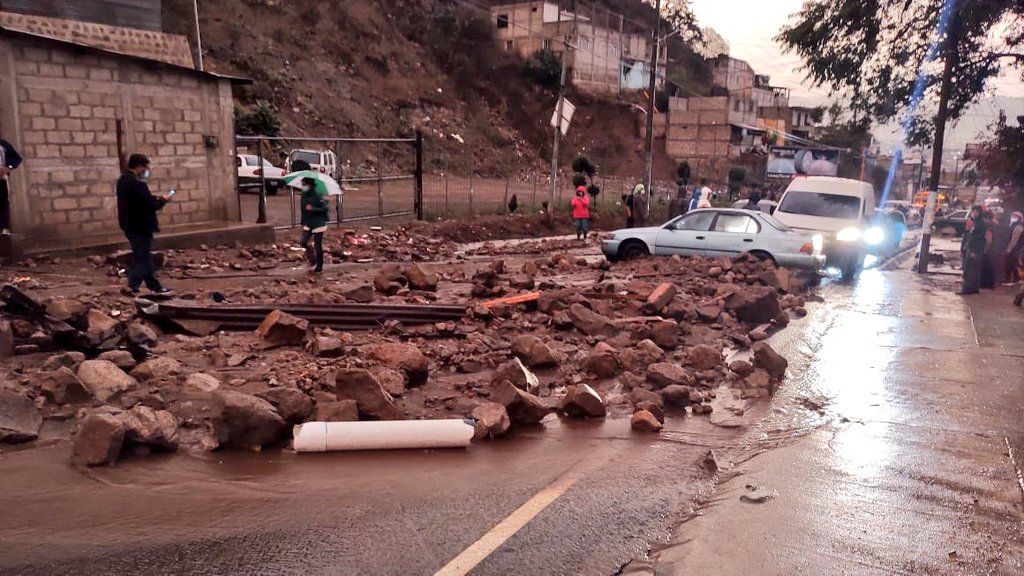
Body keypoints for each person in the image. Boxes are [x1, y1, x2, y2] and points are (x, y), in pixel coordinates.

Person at [117, 154, 172, 294]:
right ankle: (132, 286)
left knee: (145, 257)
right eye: (145, 167)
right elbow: (148, 204)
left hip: (130, 224)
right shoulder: (136, 183)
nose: (147, 170)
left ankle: (155, 286)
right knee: (142, 258)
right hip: (140, 225)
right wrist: (163, 201)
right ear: (139, 166)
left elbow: (140, 200)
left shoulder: (124, 180)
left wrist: (156, 198)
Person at [299, 177, 329, 273]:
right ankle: (312, 257)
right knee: (303, 241)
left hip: (318, 222)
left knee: (318, 245)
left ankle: (319, 266)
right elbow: (303, 209)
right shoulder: (303, 195)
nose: (303, 186)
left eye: (304, 184)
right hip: (309, 222)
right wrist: (303, 222)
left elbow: (325, 208)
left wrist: (313, 209)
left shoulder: (317, 195)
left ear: (309, 184)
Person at [958, 206, 989, 295]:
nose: (973, 214)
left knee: (970, 270)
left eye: (975, 212)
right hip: (973, 249)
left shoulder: (980, 224)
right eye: (973, 211)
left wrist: (974, 251)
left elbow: (979, 239)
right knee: (973, 269)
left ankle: (968, 289)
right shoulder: (976, 223)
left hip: (974, 250)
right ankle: (974, 288)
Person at [0, 138, 23, 235]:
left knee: (2, 204)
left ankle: (3, 229)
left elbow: (16, 158)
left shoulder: (3, 144)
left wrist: (8, 168)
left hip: (1, 180)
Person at [1006, 211, 1023, 284]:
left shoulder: (1018, 226)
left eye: (1014, 216)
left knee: (1012, 264)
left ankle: (1012, 279)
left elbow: (1014, 239)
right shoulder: (1013, 225)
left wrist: (1009, 249)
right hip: (1015, 248)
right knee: (1013, 264)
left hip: (1016, 248)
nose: (1012, 217)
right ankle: (1016, 278)